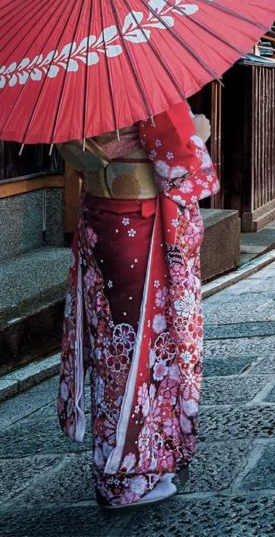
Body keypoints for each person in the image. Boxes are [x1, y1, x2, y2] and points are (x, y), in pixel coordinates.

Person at [56, 101, 219, 509]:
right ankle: (126, 478)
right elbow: (178, 161)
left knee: (113, 349)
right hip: (137, 225)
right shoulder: (142, 88)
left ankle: (125, 461)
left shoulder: (79, 87)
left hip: (98, 217)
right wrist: (198, 132)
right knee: (139, 353)